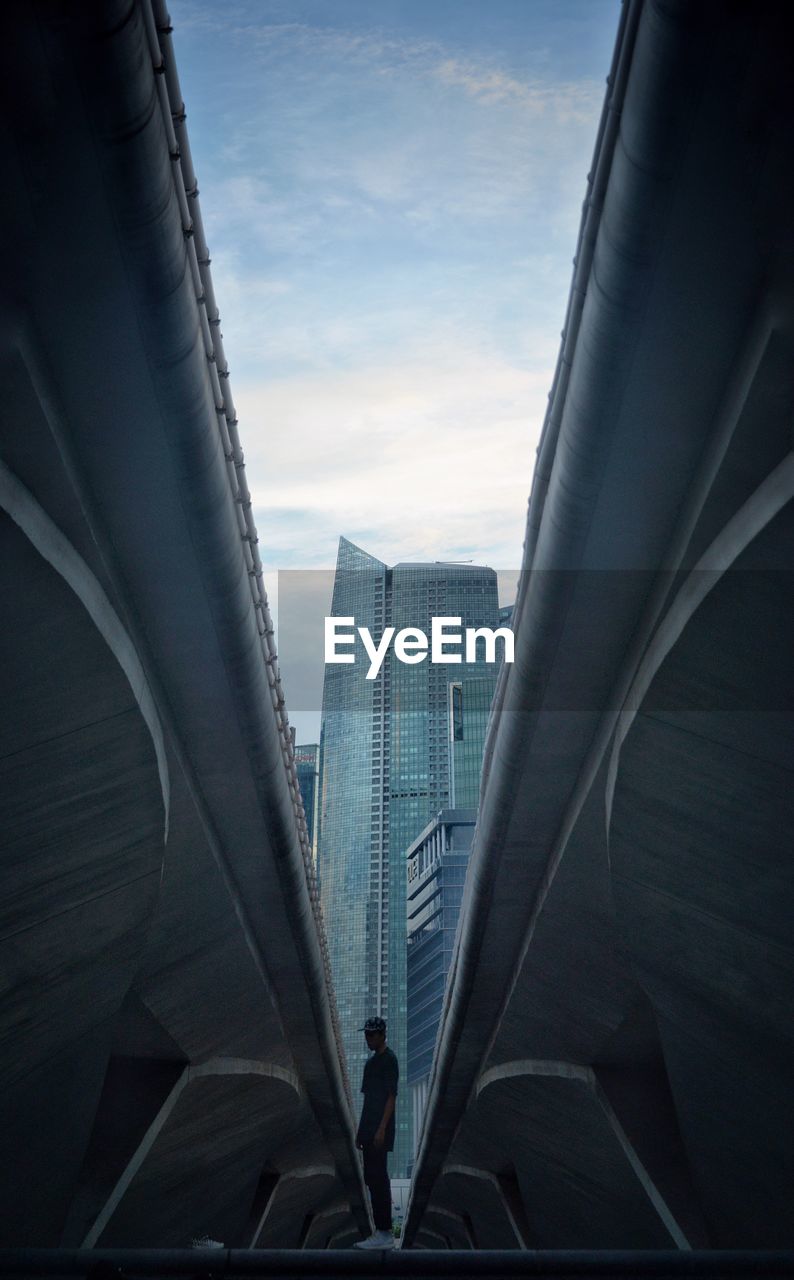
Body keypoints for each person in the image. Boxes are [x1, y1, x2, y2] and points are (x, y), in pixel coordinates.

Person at [353, 1016, 398, 1249]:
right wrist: (361, 1133)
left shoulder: (389, 1060)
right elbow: (369, 1100)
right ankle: (379, 1232)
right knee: (371, 1177)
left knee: (379, 1178)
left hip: (380, 1130)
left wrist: (381, 1129)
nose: (368, 1038)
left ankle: (384, 1232)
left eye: (372, 1034)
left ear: (382, 1035)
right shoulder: (370, 1064)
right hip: (368, 1130)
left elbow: (391, 1097)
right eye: (366, 1034)